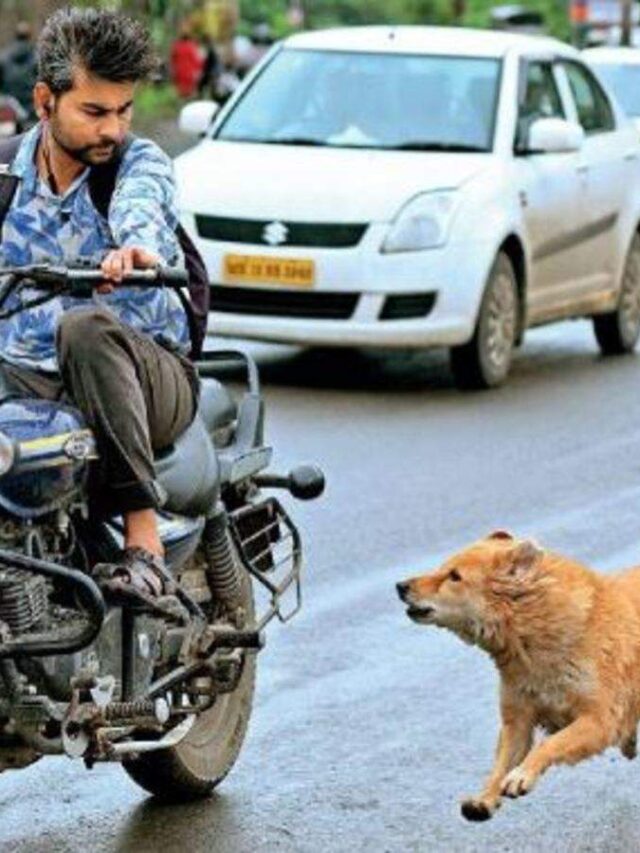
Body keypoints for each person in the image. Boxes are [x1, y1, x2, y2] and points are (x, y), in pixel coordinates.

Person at [0, 7, 199, 606]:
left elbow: (144, 209)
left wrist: (135, 250)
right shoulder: (4, 175)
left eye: (123, 111)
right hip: (29, 381)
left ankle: (144, 543)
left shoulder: (136, 166)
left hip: (145, 376)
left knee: (83, 325)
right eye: (94, 112)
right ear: (44, 101)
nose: (112, 129)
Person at [0, 21, 37, 120]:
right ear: (30, 35)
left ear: (15, 35)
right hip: (33, 110)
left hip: (10, 110)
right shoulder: (38, 57)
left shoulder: (3, 57)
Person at [169, 25, 204, 99]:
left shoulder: (176, 46)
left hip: (180, 73)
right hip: (190, 74)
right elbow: (198, 61)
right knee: (190, 94)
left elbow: (172, 60)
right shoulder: (192, 46)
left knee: (182, 93)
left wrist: (173, 72)